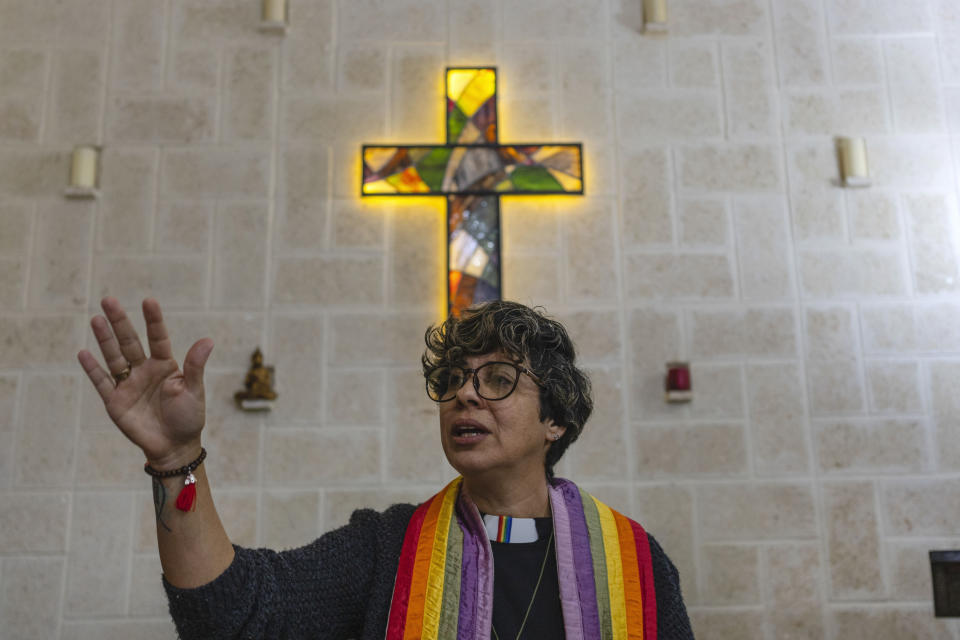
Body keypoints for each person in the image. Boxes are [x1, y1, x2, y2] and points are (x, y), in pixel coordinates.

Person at [78, 297, 694, 639]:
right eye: (453, 381)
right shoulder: (387, 549)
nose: (465, 396)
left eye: (499, 380)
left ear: (555, 420)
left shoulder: (636, 563)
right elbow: (231, 614)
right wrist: (175, 457)